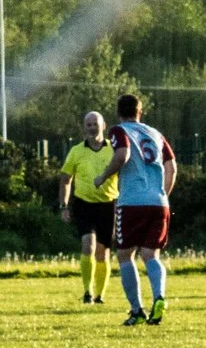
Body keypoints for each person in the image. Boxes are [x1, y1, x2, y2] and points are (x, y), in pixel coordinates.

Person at [103, 92, 178, 326]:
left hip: (132, 201)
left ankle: (136, 310)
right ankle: (160, 296)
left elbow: (123, 154)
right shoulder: (155, 133)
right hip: (159, 201)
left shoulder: (118, 130)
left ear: (118, 113)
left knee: (125, 254)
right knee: (151, 255)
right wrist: (163, 193)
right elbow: (172, 167)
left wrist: (104, 176)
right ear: (140, 112)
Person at [56, 111, 119, 305]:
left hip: (108, 205)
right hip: (83, 204)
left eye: (95, 124)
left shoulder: (114, 150)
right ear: (84, 127)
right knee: (88, 245)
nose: (92, 127)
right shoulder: (76, 151)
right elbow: (66, 180)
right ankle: (87, 291)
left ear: (104, 125)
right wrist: (64, 206)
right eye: (88, 124)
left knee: (102, 252)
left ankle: (100, 295)